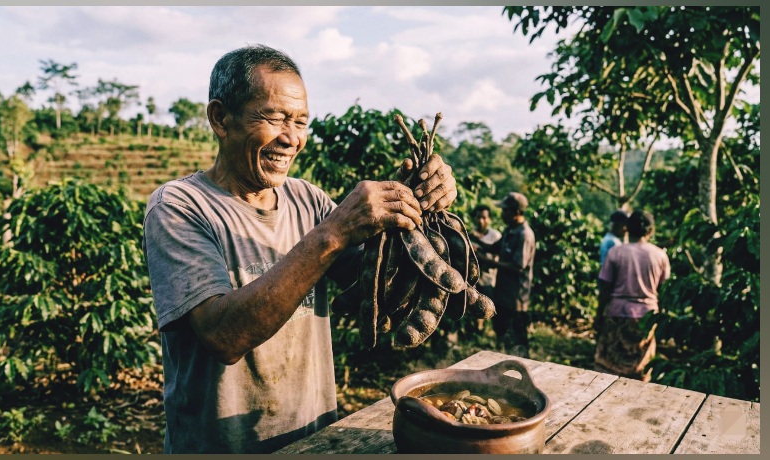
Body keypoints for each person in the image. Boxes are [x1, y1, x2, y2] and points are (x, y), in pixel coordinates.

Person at [141, 44, 458, 454]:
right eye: (273, 117)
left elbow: (376, 294)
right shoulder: (179, 207)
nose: (291, 138)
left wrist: (417, 210)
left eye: (301, 121)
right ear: (220, 118)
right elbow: (223, 336)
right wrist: (334, 232)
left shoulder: (308, 201)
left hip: (314, 440)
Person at [594, 210, 670, 382]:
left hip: (617, 315)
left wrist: (599, 314)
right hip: (646, 318)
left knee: (608, 369)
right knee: (640, 369)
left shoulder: (616, 253)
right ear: (650, 231)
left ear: (627, 228)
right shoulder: (660, 255)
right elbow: (664, 291)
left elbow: (605, 288)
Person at [472, 192, 535, 358]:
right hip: (503, 295)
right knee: (504, 336)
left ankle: (522, 374)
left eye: (505, 211)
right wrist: (473, 240)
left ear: (516, 213)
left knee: (518, 343)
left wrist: (489, 262)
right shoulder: (509, 231)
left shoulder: (524, 235)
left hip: (516, 299)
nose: (502, 214)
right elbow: (493, 248)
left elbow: (518, 266)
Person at [469, 204, 501, 299]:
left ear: (489, 219)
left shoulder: (495, 236)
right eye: (478, 217)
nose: (480, 221)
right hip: (473, 280)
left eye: (484, 217)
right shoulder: (471, 235)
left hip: (489, 280)